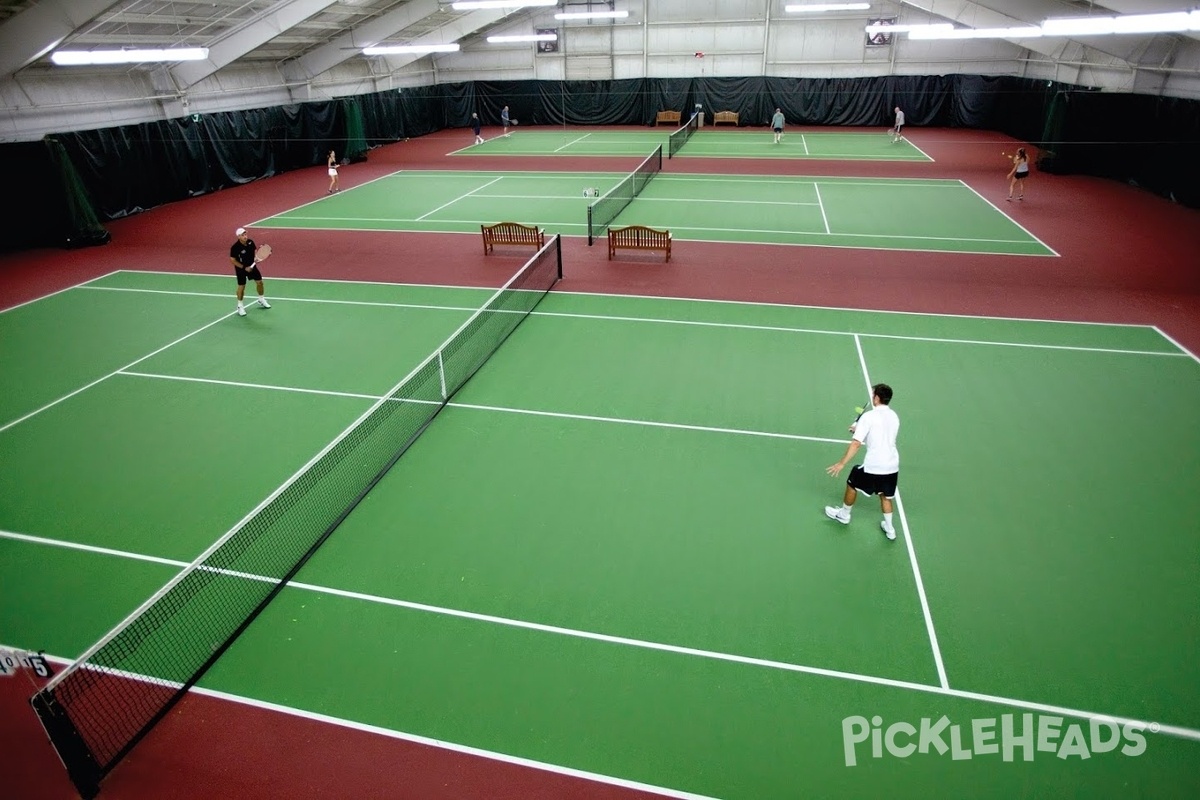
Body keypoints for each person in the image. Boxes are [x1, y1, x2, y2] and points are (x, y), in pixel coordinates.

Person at [824, 383, 900, 540]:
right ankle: (890, 529)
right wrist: (859, 430)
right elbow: (881, 435)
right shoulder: (894, 416)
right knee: (885, 496)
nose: (872, 397)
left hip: (874, 465)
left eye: (873, 394)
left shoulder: (869, 416)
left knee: (852, 483)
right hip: (892, 465)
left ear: (877, 398)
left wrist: (841, 463)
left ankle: (844, 515)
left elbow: (856, 444)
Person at [229, 227, 270, 317]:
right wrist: (244, 267)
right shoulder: (235, 247)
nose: (245, 236)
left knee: (260, 282)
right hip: (241, 269)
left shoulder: (250, 242)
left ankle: (261, 299)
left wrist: (256, 257)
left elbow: (255, 251)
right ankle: (240, 306)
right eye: (243, 235)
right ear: (238, 236)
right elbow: (232, 260)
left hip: (252, 266)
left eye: (246, 234)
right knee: (242, 287)